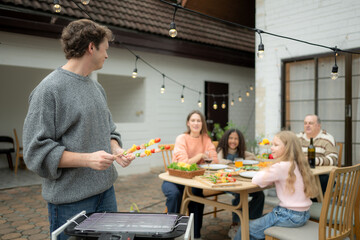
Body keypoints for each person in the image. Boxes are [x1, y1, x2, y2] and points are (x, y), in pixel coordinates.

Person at [23, 19, 135, 240]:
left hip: (106, 193)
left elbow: (110, 130)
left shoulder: (97, 88)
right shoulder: (49, 89)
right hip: (70, 201)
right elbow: (35, 152)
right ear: (91, 47)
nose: (107, 55)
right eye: (105, 48)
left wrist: (116, 148)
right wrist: (87, 160)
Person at [234, 131, 319, 240]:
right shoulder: (299, 163)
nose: (271, 148)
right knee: (263, 219)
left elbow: (256, 179)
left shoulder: (280, 166)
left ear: (287, 148)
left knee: (245, 228)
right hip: (303, 215)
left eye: (276, 145)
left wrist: (268, 169)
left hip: (287, 216)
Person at [161, 110, 218, 239]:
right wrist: (200, 156)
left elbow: (214, 160)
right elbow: (183, 163)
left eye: (198, 120)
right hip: (174, 179)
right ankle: (171, 232)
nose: (196, 123)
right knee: (175, 195)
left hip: (194, 180)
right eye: (193, 120)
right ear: (188, 123)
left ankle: (195, 234)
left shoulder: (206, 139)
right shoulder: (182, 138)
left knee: (197, 194)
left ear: (202, 124)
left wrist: (201, 159)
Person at [217, 129, 265, 239]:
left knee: (259, 194)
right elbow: (220, 161)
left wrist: (242, 159)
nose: (233, 141)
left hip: (242, 180)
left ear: (240, 141)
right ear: (226, 139)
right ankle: (236, 224)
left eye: (236, 139)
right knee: (239, 193)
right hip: (226, 181)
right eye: (231, 138)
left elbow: (252, 156)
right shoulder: (222, 150)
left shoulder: (240, 152)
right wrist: (234, 162)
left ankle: (251, 221)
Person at [297, 114, 338, 194]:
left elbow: (333, 160)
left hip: (322, 176)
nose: (307, 126)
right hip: (303, 173)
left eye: (310, 123)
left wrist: (312, 160)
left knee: (320, 181)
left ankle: (312, 204)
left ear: (318, 125)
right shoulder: (298, 137)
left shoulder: (327, 139)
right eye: (305, 123)